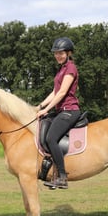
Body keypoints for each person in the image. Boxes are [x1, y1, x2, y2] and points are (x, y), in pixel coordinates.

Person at [36, 37, 81, 189]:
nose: (58, 56)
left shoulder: (70, 68)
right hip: (60, 110)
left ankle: (62, 177)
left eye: (61, 53)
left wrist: (46, 109)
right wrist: (40, 106)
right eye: (56, 53)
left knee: (51, 138)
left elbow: (61, 93)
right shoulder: (61, 69)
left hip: (70, 110)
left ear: (68, 53)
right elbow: (54, 92)